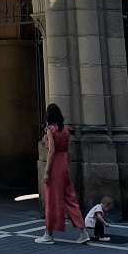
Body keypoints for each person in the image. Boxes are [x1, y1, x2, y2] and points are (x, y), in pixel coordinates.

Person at [36, 103, 89, 245]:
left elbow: (51, 151)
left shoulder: (50, 130)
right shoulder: (66, 130)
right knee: (70, 199)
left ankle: (48, 234)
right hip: (64, 165)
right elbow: (67, 150)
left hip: (55, 167)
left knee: (51, 200)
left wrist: (47, 171)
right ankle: (83, 231)